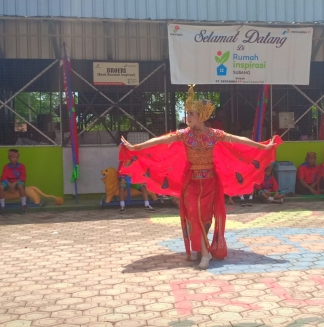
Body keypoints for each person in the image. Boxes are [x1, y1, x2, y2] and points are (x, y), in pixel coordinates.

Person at [120, 85, 280, 270]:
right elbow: (161, 140)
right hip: (191, 183)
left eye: (191, 114)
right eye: (187, 114)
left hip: (210, 182)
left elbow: (238, 140)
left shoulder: (214, 135)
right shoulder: (184, 135)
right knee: (193, 215)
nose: (187, 117)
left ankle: (202, 250)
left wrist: (262, 147)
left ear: (201, 116)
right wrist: (136, 147)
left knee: (205, 218)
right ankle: (203, 251)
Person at [0, 149, 28, 214]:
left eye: (17, 157)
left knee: (21, 186)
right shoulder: (6, 167)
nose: (15, 159)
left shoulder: (21, 166)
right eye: (13, 157)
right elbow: (4, 178)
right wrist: (9, 184)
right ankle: (2, 206)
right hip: (8, 182)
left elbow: (23, 177)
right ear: (9, 157)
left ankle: (24, 205)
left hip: (17, 182)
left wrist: (14, 184)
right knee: (1, 187)